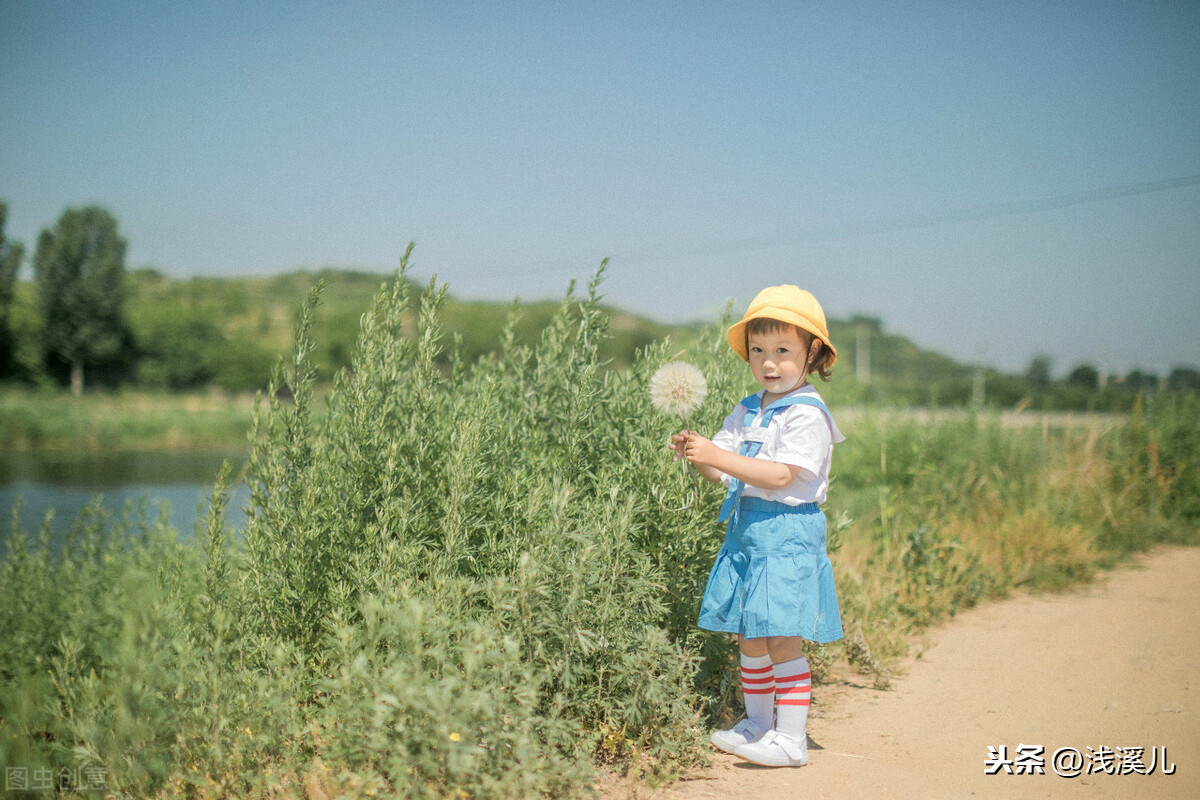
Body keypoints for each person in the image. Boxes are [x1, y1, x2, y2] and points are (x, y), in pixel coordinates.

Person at [669, 284, 845, 768]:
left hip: (787, 532)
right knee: (750, 632)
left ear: (814, 353)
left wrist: (720, 454)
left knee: (781, 634)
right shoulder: (749, 407)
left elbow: (781, 474)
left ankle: (791, 739)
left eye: (783, 350)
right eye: (758, 350)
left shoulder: (807, 415)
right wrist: (698, 453)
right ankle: (758, 724)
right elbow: (722, 471)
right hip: (748, 531)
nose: (770, 362)